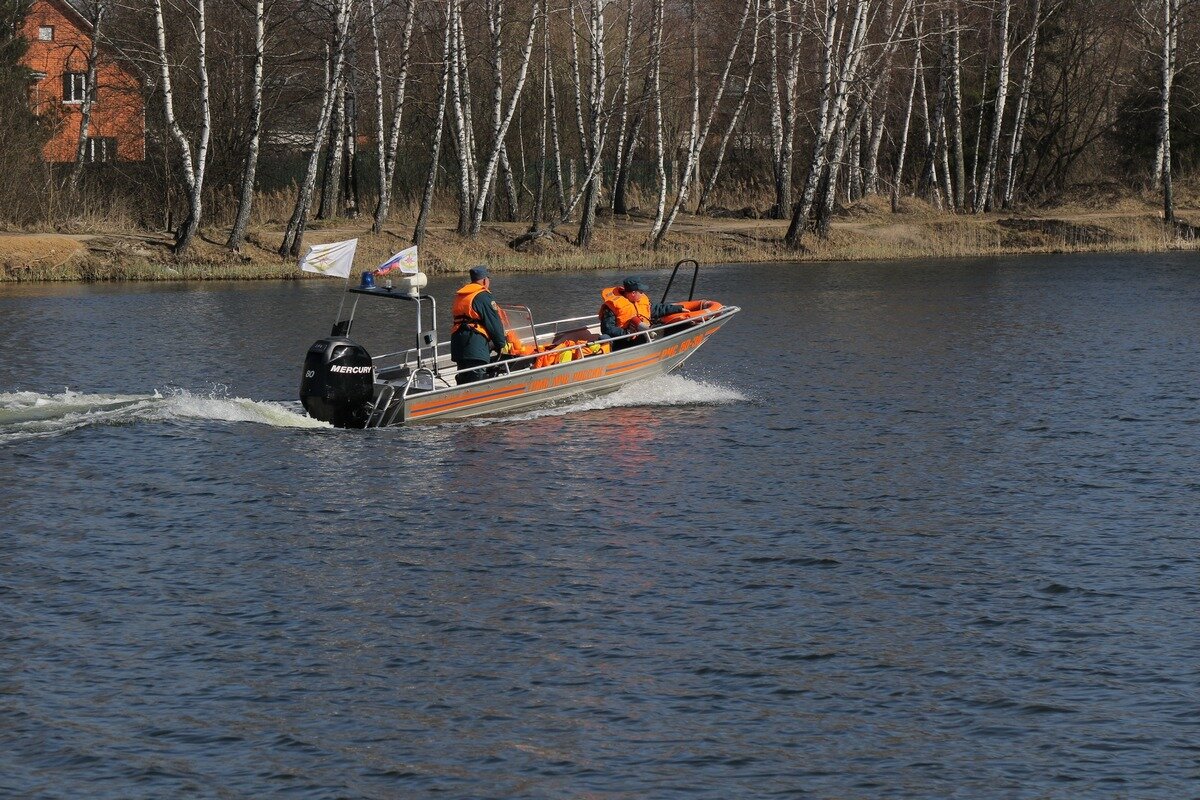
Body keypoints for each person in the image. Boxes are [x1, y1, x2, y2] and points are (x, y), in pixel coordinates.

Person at [451, 266, 510, 384]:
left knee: (464, 376)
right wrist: (501, 344)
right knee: (477, 378)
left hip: (458, 343)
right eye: (489, 279)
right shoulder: (483, 296)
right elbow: (494, 323)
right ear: (484, 280)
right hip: (475, 345)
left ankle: (460, 398)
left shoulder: (461, 295)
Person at [599, 277, 684, 350]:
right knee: (605, 338)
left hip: (642, 335)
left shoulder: (641, 301)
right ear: (633, 293)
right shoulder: (612, 307)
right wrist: (627, 333)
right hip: (623, 341)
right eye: (641, 291)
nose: (643, 294)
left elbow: (658, 309)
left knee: (664, 328)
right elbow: (607, 329)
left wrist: (679, 308)